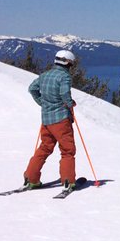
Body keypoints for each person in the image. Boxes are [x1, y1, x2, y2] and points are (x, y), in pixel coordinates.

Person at [23, 49, 78, 190]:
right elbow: (64, 94)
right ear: (68, 63)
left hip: (46, 120)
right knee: (67, 150)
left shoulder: (45, 75)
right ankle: (68, 181)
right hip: (61, 120)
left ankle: (31, 178)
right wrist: (70, 103)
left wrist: (42, 102)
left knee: (45, 147)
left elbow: (32, 88)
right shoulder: (64, 77)